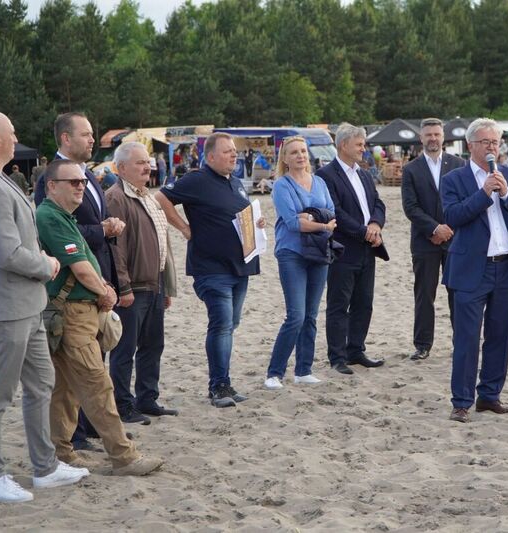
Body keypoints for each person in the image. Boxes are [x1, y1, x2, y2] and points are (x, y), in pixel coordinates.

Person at [0, 110, 88, 502]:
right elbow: (8, 253)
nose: (17, 138)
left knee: (40, 383)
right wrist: (48, 264)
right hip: (6, 305)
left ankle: (45, 467)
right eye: (12, 133)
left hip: (26, 303)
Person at [36, 159, 164, 476]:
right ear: (52, 186)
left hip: (75, 312)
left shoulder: (61, 216)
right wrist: (106, 291)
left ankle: (63, 452)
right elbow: (80, 267)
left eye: (82, 181)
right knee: (97, 385)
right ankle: (124, 457)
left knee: (65, 388)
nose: (81, 185)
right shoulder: (50, 217)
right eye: (72, 182)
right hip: (72, 313)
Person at [35, 112, 128, 442]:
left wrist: (108, 230)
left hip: (92, 286)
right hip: (73, 293)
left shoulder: (88, 175)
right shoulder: (51, 181)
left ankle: (75, 438)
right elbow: (60, 237)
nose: (92, 140)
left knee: (75, 382)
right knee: (91, 380)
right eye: (86, 134)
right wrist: (101, 230)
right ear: (65, 139)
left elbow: (79, 231)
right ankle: (114, 448)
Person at [155, 133, 266, 408]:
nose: (233, 156)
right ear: (211, 156)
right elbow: (160, 197)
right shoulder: (197, 180)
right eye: (227, 152)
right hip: (211, 267)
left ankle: (224, 381)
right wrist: (182, 227)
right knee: (221, 324)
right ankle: (218, 386)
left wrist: (255, 222)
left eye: (234, 152)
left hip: (241, 266)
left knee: (230, 324)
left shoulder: (236, 183)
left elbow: (239, 216)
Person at [440, 118, 508, 423]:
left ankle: (489, 396)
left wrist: (506, 194)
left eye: (495, 142)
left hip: (506, 266)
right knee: (466, 337)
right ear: (470, 146)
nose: (492, 148)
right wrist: (483, 194)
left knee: (500, 334)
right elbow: (452, 216)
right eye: (486, 143)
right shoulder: (454, 179)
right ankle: (462, 401)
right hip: (470, 268)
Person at [106, 142, 179, 422]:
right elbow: (117, 247)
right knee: (124, 350)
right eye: (139, 162)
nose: (146, 166)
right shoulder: (116, 197)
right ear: (121, 168)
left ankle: (147, 399)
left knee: (152, 345)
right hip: (133, 287)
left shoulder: (149, 196)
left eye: (147, 161)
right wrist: (122, 286)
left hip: (154, 284)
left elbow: (164, 245)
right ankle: (123, 406)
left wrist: (167, 287)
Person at [263, 137, 336, 390]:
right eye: (294, 152)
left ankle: (303, 370)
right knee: (296, 315)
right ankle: (274, 373)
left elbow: (332, 213)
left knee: (311, 315)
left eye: (303, 151)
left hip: (319, 252)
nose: (300, 156)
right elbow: (294, 223)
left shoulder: (320, 182)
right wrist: (322, 223)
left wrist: (311, 216)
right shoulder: (282, 186)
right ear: (285, 158)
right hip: (291, 253)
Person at [317, 123, 388, 375]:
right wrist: (364, 231)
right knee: (339, 304)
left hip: (369, 248)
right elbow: (335, 211)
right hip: (344, 249)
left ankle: (356, 349)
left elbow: (378, 203)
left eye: (363, 143)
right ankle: (337, 356)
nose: (363, 148)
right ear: (343, 145)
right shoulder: (326, 175)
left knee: (364, 302)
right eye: (359, 144)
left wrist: (376, 225)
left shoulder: (364, 174)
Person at [400, 118, 465, 361]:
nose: (433, 139)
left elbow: (465, 203)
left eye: (436, 134)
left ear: (443, 137)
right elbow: (410, 207)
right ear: (421, 138)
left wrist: (448, 229)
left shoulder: (459, 164)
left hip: (455, 239)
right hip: (424, 241)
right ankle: (423, 344)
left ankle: (461, 341)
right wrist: (434, 229)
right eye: (428, 135)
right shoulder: (411, 169)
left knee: (457, 293)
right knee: (424, 294)